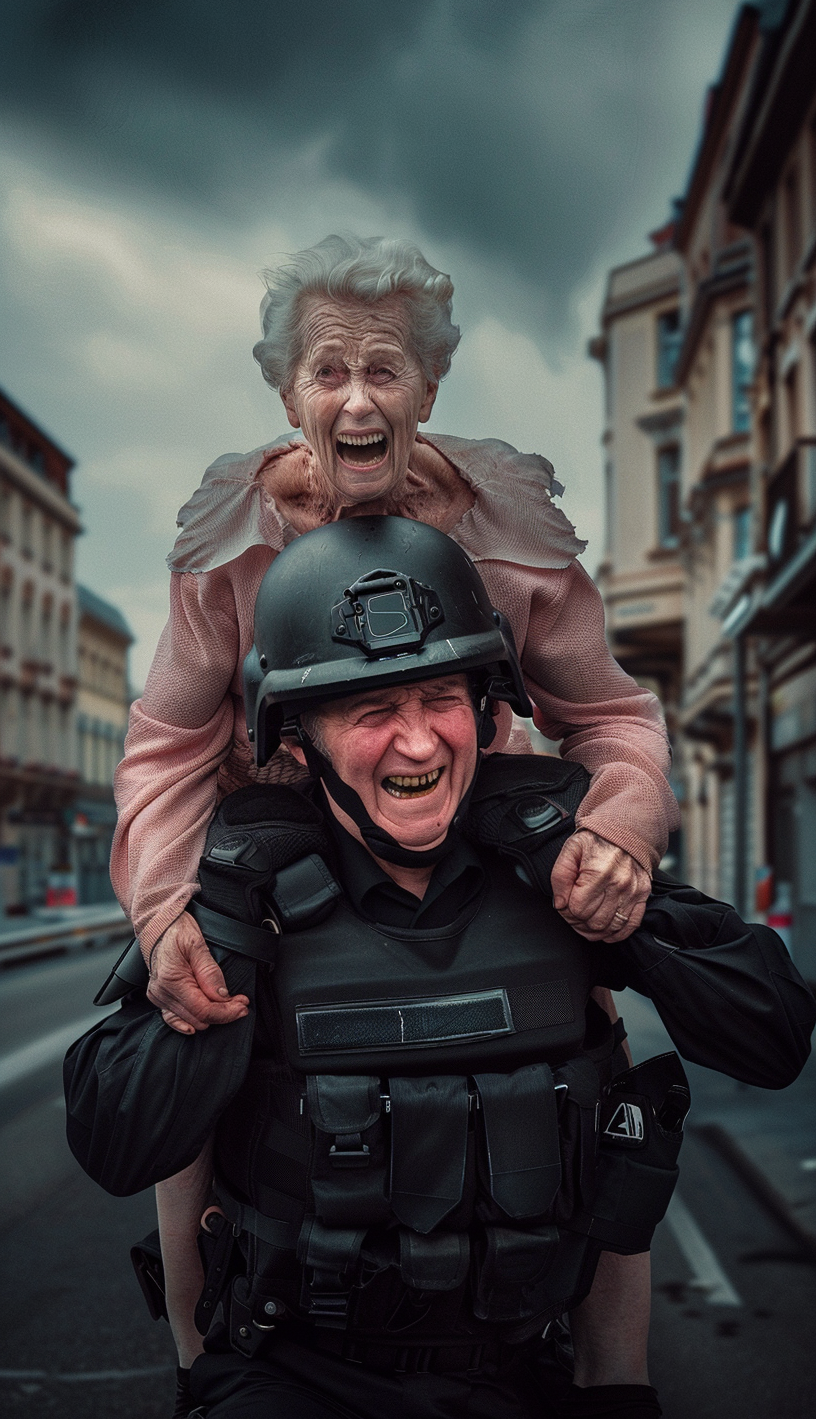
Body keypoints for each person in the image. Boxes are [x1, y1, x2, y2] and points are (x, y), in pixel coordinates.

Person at [70, 520, 815, 1419]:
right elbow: (119, 1143)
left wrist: (629, 905)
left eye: (439, 697)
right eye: (372, 710)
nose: (418, 743)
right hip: (292, 1381)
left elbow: (773, 1032)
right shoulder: (245, 903)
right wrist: (220, 936)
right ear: (300, 741)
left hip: (519, 1373)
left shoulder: (558, 870)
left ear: (488, 709)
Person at [109, 235, 677, 1407]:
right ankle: (198, 1364)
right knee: (193, 1058)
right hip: (271, 847)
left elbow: (615, 717)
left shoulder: (510, 534)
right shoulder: (227, 552)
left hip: (476, 844)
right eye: (329, 373)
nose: (358, 401)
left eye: (386, 372)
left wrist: (615, 831)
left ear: (429, 389)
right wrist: (167, 916)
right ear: (288, 393)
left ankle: (614, 1379)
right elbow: (164, 746)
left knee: (599, 1046)